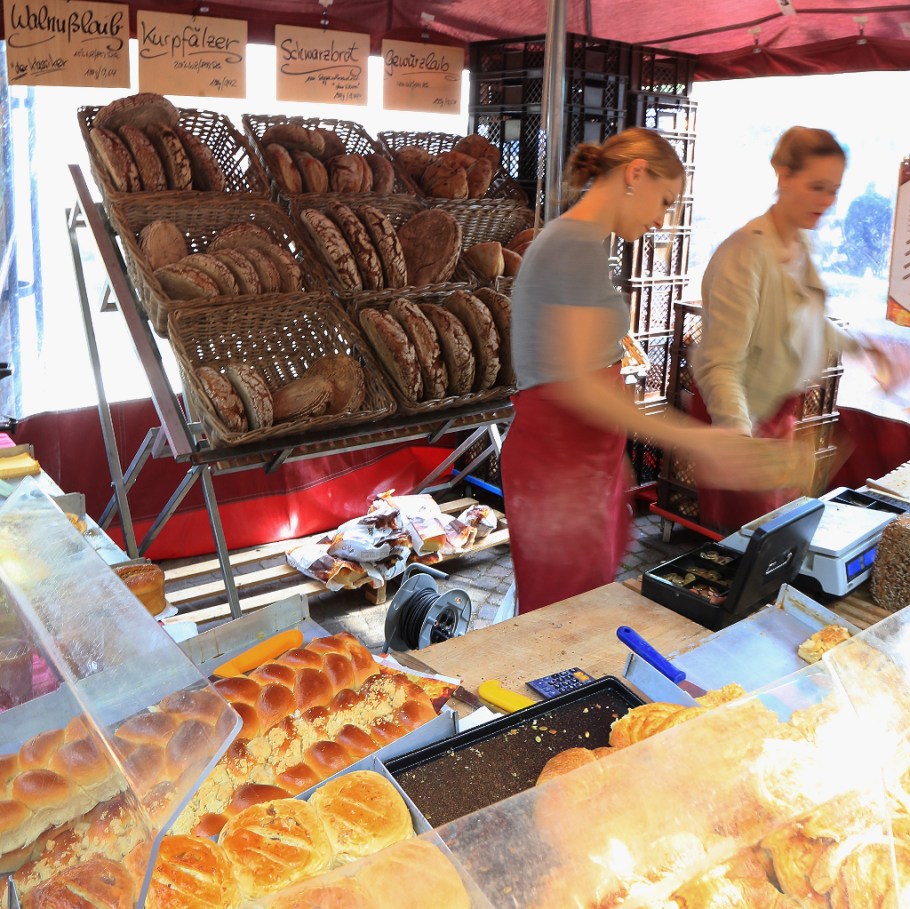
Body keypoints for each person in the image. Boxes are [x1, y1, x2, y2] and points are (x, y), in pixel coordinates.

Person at [500, 126, 808, 615]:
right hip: (559, 466)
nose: (662, 220)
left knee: (576, 613)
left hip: (578, 459)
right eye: (664, 201)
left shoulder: (581, 243)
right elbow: (579, 386)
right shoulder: (571, 246)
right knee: (560, 626)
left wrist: (614, 455)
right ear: (635, 174)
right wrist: (695, 438)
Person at [691, 126, 866, 533]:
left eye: (834, 190)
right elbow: (719, 364)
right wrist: (738, 438)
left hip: (777, 418)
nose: (826, 201)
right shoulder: (746, 254)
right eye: (817, 187)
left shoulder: (799, 244)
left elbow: (804, 320)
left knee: (780, 537)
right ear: (783, 176)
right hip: (743, 419)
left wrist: (864, 348)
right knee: (750, 548)